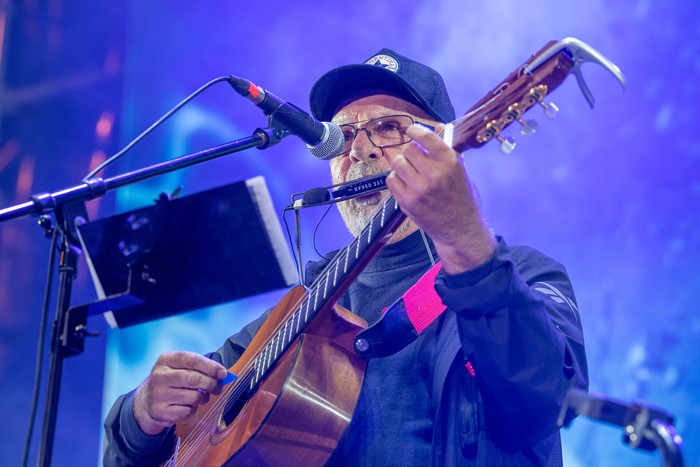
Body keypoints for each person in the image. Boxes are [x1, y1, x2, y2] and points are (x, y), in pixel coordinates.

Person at [103, 48, 588, 466]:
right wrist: (139, 417)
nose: (358, 150)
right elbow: (180, 435)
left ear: (441, 146)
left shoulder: (518, 273)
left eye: (388, 128)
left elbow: (545, 403)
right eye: (342, 135)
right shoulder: (308, 302)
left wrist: (467, 241)